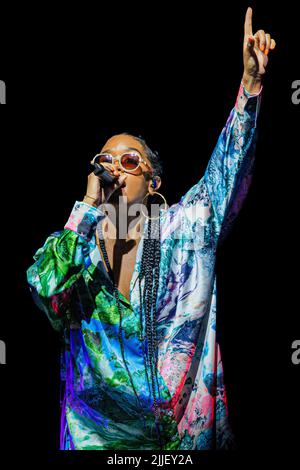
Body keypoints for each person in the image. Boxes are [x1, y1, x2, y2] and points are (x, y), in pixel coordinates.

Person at [27, 7, 276, 450]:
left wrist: (250, 85)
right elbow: (42, 286)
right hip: (95, 439)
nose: (114, 172)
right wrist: (86, 208)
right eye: (104, 162)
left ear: (153, 182)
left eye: (128, 161)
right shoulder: (76, 249)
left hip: (175, 441)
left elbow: (227, 171)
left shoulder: (186, 227)